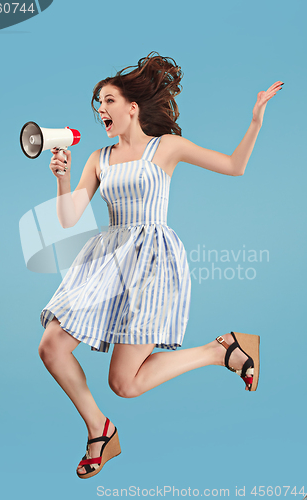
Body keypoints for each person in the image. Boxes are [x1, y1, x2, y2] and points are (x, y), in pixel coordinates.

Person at [38, 52, 283, 479]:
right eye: (98, 102)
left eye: (109, 100)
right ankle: (100, 429)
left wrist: (256, 119)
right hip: (106, 262)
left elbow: (234, 166)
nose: (101, 108)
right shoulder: (99, 158)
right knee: (52, 346)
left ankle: (219, 350)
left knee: (125, 384)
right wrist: (63, 176)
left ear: (132, 107)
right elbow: (68, 217)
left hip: (152, 264)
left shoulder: (164, 148)